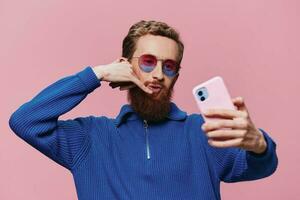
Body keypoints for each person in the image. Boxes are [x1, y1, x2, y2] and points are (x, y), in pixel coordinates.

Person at [9, 20, 278, 200]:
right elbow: (25, 121)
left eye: (169, 66)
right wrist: (96, 74)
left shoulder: (203, 131)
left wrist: (260, 146)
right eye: (148, 62)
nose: (159, 74)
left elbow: (260, 167)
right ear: (126, 65)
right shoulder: (90, 137)